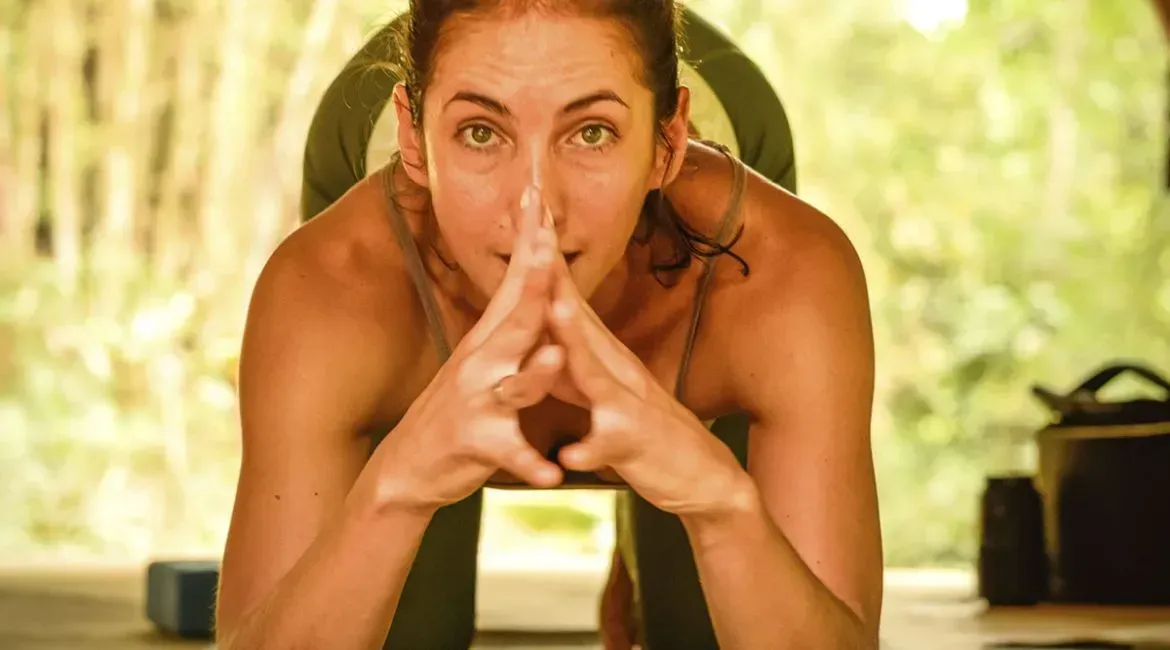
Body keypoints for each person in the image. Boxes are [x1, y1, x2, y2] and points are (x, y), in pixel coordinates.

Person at [215, 2, 883, 649]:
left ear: (669, 143)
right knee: (418, 628)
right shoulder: (333, 283)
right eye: (481, 133)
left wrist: (719, 502)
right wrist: (398, 486)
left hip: (690, 106)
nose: (537, 208)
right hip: (420, 98)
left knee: (692, 622)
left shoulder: (780, 273)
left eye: (590, 132)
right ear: (413, 141)